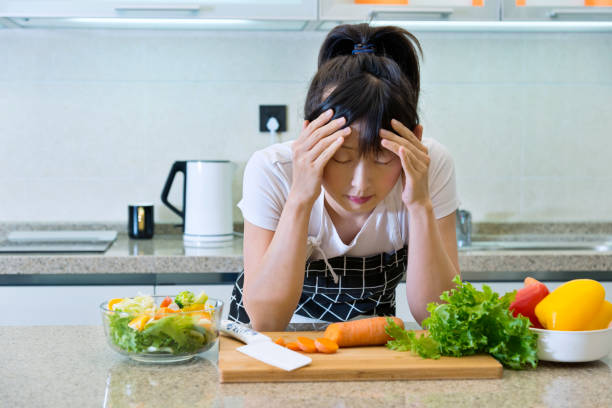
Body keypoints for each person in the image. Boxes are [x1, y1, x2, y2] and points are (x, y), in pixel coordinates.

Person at [229, 23, 461, 331]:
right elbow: (267, 321)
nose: (360, 183)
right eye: (341, 157)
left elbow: (439, 317)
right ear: (309, 135)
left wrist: (419, 205)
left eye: (382, 157)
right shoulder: (273, 169)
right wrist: (299, 198)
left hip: (367, 342)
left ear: (415, 140)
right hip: (271, 344)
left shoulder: (428, 165)